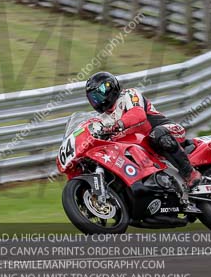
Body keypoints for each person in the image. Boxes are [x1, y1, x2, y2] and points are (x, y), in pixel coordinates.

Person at [85, 71, 202, 202]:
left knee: (156, 135)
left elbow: (138, 114)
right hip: (142, 148)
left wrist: (117, 124)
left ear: (109, 88)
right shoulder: (103, 118)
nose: (96, 101)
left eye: (97, 96)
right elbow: (92, 130)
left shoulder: (129, 95)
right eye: (93, 99)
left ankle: (190, 174)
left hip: (166, 130)